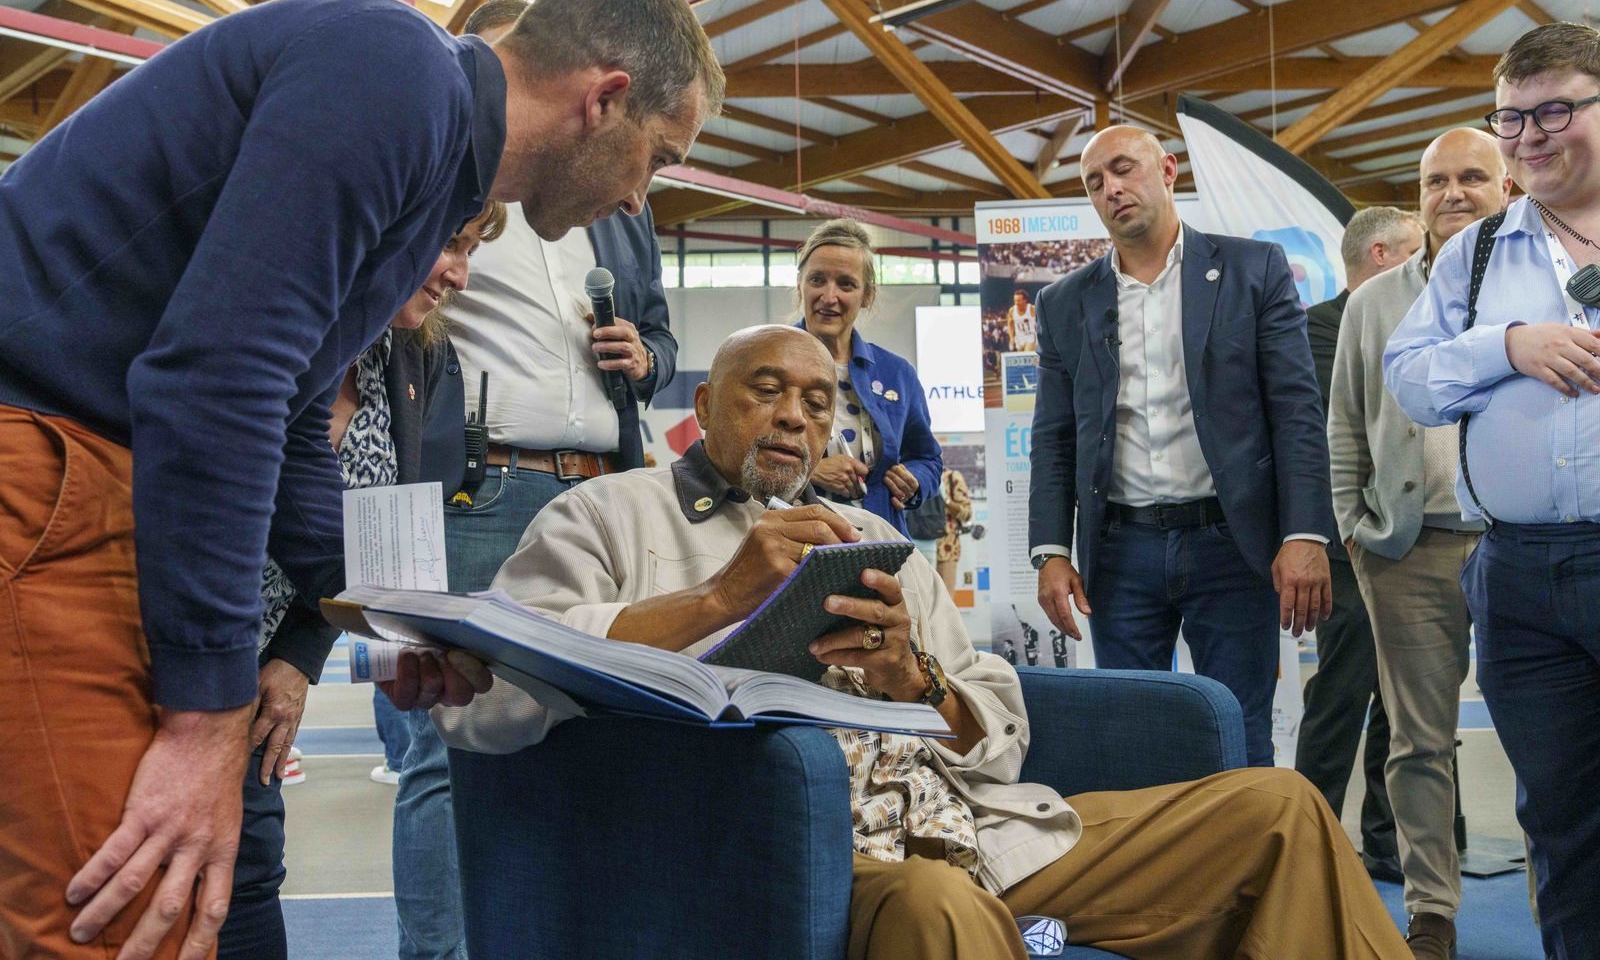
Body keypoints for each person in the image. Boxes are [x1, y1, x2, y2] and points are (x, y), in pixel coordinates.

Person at [0, 0, 721, 958]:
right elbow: (213, 384)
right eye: (659, 157)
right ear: (605, 99)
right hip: (40, 450)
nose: (641, 195)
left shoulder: (431, 167)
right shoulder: (396, 73)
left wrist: (393, 615)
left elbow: (294, 416)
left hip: (81, 462)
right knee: (130, 911)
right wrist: (207, 716)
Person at [426, 324, 1410, 960]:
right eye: (765, 389)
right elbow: (498, 695)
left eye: (817, 402)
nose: (794, 414)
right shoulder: (607, 513)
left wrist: (912, 672)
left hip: (978, 829)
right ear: (707, 408)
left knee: (1276, 807)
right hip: (799, 849)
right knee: (937, 907)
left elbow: (996, 727)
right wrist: (720, 597)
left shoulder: (868, 541)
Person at [392, 0, 679, 960]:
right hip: (480, 492)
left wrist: (648, 356)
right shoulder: (445, 179)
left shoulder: (621, 210)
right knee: (449, 746)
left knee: (608, 737)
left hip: (608, 490)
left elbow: (666, 335)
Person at [222, 204, 502, 960]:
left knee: (249, 865)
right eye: (450, 242)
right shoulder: (273, 323)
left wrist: (297, 656)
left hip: (260, 650)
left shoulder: (410, 356)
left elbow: (365, 538)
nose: (460, 274)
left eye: (473, 250)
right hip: (166, 635)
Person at [1386, 22, 1600, 960]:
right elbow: (1410, 377)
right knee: (1559, 817)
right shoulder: (1474, 257)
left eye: (1556, 109)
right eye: (1511, 118)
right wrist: (1506, 345)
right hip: (1516, 576)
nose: (1529, 136)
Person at [1028, 126, 1337, 767]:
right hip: (1120, 554)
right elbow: (1055, 436)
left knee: (1240, 728)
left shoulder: (1254, 269)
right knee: (1132, 734)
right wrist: (1052, 550)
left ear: (1167, 171)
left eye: (1124, 169)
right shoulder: (1063, 303)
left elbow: (1297, 411)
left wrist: (1305, 531)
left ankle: (1248, 865)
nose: (1112, 189)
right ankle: (1161, 866)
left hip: (1232, 545)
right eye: (1095, 182)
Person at [1334, 138, 1507, 960]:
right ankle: (1431, 911)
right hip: (1407, 551)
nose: (1454, 192)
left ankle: (1565, 899)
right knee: (1417, 745)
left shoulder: (1545, 284)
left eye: (1472, 176)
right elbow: (1343, 425)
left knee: (1551, 737)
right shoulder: (1375, 304)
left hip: (1522, 544)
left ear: (1505, 183)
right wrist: (1354, 529)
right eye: (1436, 180)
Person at [1298, 206, 1420, 895]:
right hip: (1346, 548)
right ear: (1380, 254)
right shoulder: (1317, 329)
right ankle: (1308, 840)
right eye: (1414, 252)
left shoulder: (1419, 323)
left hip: (1413, 544)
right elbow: (1332, 439)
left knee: (1403, 706)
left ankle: (1386, 844)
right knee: (1341, 698)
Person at [796, 219, 942, 538]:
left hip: (880, 543)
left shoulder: (897, 373)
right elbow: (735, 457)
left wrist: (914, 480)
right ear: (800, 286)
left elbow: (927, 458)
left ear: (866, 296)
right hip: (792, 543)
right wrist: (811, 471)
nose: (829, 296)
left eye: (846, 284)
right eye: (817, 280)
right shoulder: (763, 360)